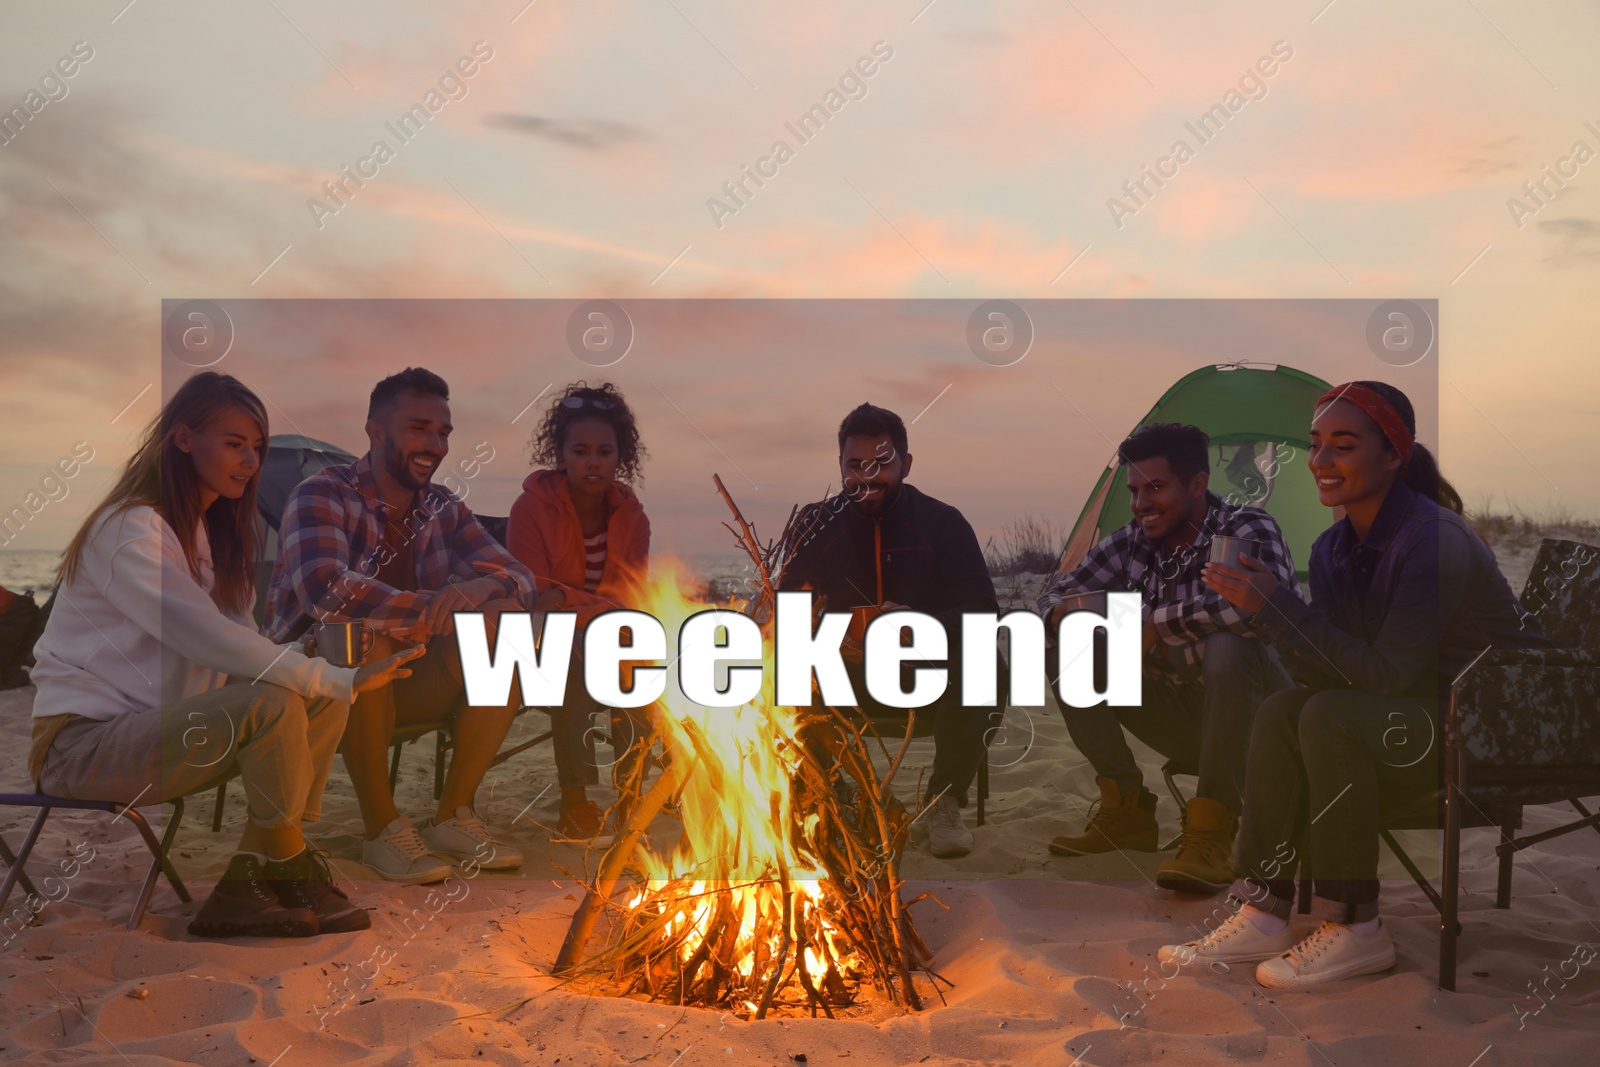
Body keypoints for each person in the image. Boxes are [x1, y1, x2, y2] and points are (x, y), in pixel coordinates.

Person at [1158, 380, 1548, 988]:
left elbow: (1385, 676)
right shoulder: (1335, 548)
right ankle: (1263, 910)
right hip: (1417, 718)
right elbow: (1335, 671)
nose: (1320, 461)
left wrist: (1280, 607)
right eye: (1316, 445)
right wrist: (1267, 613)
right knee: (1289, 706)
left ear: (1393, 454)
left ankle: (1357, 927)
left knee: (1327, 716)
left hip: (1492, 729)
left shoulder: (1433, 540)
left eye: (1343, 445)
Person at [28, 372, 421, 938]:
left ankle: (245, 878)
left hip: (161, 732)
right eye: (235, 443)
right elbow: (202, 635)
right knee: (287, 697)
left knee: (313, 696)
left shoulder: (208, 537)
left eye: (256, 447)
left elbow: (242, 647)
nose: (250, 461)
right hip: (80, 746)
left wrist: (313, 659)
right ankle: (290, 863)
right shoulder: (131, 529)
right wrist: (321, 674)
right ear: (184, 439)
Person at [267, 368, 536, 883]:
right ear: (375, 432)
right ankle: (381, 831)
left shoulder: (443, 508)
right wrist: (432, 610)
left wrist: (480, 591)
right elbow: (327, 589)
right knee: (365, 633)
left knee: (506, 635)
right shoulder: (319, 494)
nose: (435, 444)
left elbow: (519, 576)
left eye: (443, 433)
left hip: (405, 677)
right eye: (419, 428)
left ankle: (451, 817)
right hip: (312, 685)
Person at [1036, 423, 1295, 893]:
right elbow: (1051, 595)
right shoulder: (1133, 540)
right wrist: (1081, 619)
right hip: (1185, 716)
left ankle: (1215, 827)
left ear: (1197, 484)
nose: (1140, 504)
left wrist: (1156, 626)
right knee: (1072, 648)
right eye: (1134, 491)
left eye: (1155, 488)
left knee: (1228, 646)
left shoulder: (1246, 527)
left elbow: (1247, 608)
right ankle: (1128, 809)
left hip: (1264, 724)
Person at [777, 403, 1000, 859]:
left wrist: (921, 630)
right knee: (781, 665)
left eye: (880, 463)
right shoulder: (815, 524)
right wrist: (828, 636)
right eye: (854, 465)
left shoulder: (942, 523)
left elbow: (980, 608)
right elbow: (786, 606)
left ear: (906, 463)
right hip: (845, 676)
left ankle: (944, 802)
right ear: (840, 467)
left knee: (986, 661)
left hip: (926, 675)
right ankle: (833, 796)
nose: (866, 476)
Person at [506, 382, 653, 842]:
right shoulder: (530, 508)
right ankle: (575, 802)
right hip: (544, 640)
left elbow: (631, 594)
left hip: (606, 636)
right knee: (570, 668)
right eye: (581, 450)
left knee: (642, 668)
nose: (593, 461)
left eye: (605, 451)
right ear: (562, 454)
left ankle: (631, 796)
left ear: (620, 456)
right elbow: (534, 591)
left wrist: (593, 612)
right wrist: (588, 609)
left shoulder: (633, 517)